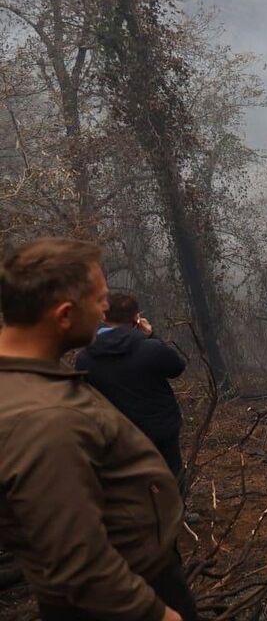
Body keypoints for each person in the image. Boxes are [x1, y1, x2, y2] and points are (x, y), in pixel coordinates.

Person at [0, 237, 195, 621]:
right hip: (129, 595)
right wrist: (157, 614)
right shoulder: (44, 418)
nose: (105, 309)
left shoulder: (33, 381)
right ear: (64, 315)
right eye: (99, 299)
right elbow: (78, 563)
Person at [75, 292, 188, 480]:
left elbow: (85, 396)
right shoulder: (151, 348)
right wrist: (152, 335)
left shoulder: (85, 358)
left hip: (115, 436)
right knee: (170, 480)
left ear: (103, 316)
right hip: (160, 432)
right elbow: (177, 367)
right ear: (136, 317)